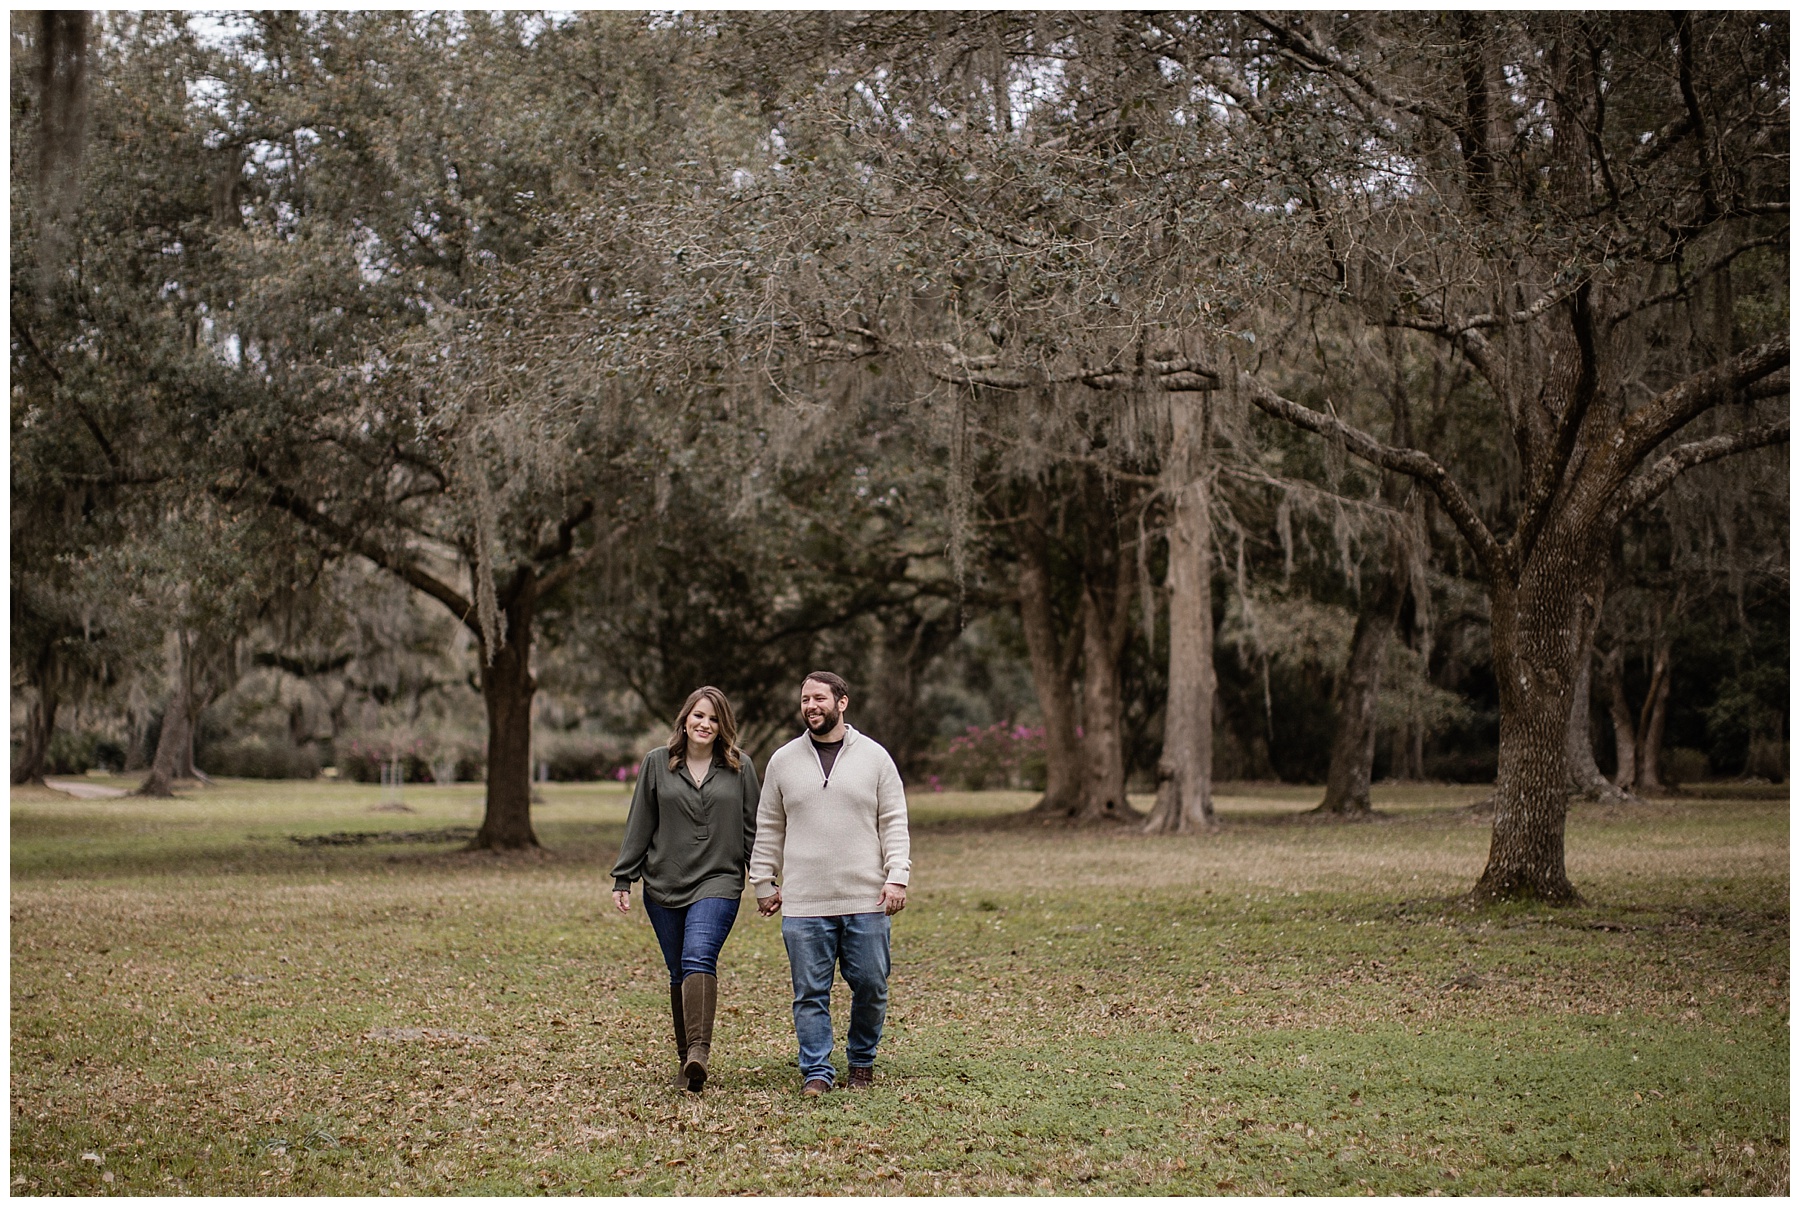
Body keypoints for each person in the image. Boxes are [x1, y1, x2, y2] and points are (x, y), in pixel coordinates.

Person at [751, 671, 910, 1096]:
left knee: (873, 985)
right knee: (809, 994)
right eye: (805, 699)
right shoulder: (783, 761)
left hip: (867, 897)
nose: (810, 706)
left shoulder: (875, 758)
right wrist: (763, 882)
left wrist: (898, 877)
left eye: (819, 698)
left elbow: (893, 820)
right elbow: (768, 826)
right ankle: (817, 1071)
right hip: (805, 902)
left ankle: (861, 1062)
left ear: (842, 702)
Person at [611, 686, 759, 1093]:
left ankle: (699, 1051)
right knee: (679, 970)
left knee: (698, 955)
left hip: (719, 880)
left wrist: (763, 881)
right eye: (698, 716)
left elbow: (752, 831)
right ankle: (686, 1065)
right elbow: (639, 823)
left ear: (723, 726)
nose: (705, 724)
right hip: (663, 883)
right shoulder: (657, 764)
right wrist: (624, 877)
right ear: (684, 719)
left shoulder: (740, 768)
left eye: (713, 719)